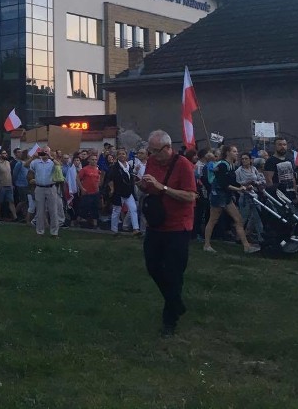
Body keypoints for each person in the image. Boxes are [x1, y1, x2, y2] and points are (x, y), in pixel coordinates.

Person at [139, 130, 197, 337]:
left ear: (167, 148)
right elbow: (150, 188)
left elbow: (191, 196)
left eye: (155, 151)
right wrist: (144, 186)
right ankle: (176, 302)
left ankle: (169, 320)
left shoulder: (183, 165)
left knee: (174, 273)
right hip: (156, 224)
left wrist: (162, 187)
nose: (152, 155)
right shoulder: (153, 162)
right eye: (150, 151)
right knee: (153, 266)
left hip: (177, 227)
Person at [203, 145, 261, 254]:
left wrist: (244, 186)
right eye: (234, 151)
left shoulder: (231, 166)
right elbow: (223, 184)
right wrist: (239, 189)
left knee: (238, 219)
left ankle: (246, 246)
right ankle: (206, 244)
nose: (237, 153)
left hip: (226, 196)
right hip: (218, 196)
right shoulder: (222, 166)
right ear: (228, 153)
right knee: (213, 220)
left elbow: (233, 182)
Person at [25, 147, 61, 237]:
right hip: (39, 188)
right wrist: (33, 157)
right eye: (43, 152)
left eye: (46, 152)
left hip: (51, 188)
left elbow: (59, 165)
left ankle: (54, 232)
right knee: (40, 211)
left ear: (49, 152)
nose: (44, 154)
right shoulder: (36, 162)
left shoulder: (52, 162)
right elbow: (25, 165)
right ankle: (40, 232)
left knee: (53, 210)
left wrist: (51, 157)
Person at [105, 147, 141, 237]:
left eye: (123, 154)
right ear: (117, 156)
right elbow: (110, 179)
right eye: (120, 154)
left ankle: (136, 229)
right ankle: (114, 230)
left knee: (133, 209)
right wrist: (112, 189)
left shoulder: (129, 166)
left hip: (128, 191)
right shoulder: (115, 167)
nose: (121, 155)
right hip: (118, 191)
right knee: (117, 210)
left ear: (126, 156)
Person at [235, 152, 265, 243]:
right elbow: (237, 183)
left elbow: (260, 180)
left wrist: (256, 183)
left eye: (246, 158)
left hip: (254, 196)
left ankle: (261, 237)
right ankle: (239, 237)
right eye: (242, 159)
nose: (244, 160)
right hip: (244, 196)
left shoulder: (254, 169)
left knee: (257, 217)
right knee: (243, 218)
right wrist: (247, 184)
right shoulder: (239, 171)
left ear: (250, 160)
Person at [76, 158, 101, 229]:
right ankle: (78, 221)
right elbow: (77, 178)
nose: (94, 161)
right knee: (84, 207)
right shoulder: (85, 169)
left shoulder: (97, 170)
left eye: (95, 160)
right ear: (89, 160)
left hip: (95, 192)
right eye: (92, 159)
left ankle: (95, 224)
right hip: (87, 192)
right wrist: (82, 188)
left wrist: (98, 189)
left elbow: (98, 180)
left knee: (95, 208)